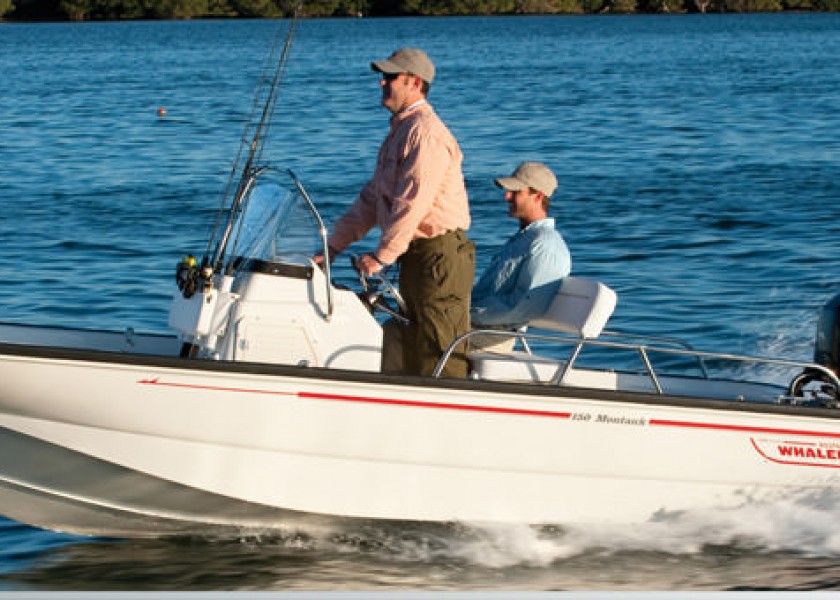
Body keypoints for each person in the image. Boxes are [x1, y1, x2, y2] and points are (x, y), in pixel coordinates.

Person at [320, 47, 475, 378]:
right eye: (383, 76)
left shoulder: (425, 134)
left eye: (390, 77)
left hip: (439, 256)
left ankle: (446, 415)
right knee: (402, 336)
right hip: (416, 255)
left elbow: (412, 204)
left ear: (415, 82)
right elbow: (372, 200)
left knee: (438, 347)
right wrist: (332, 247)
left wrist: (382, 256)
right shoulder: (400, 131)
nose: (382, 83)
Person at [470, 161, 571, 352]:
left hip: (492, 336)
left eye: (516, 192)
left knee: (407, 336)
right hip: (478, 327)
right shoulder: (523, 239)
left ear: (538, 196)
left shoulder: (545, 245)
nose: (507, 196)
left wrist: (465, 314)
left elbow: (522, 308)